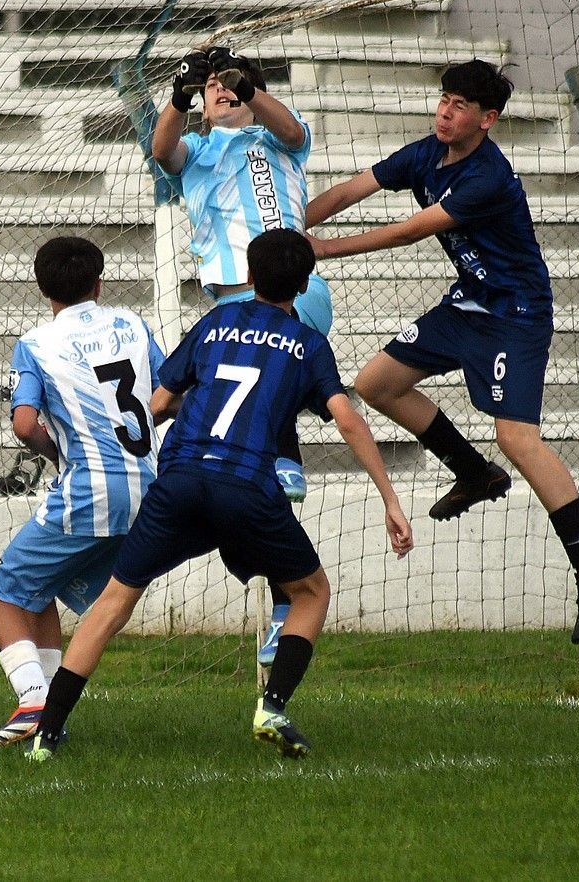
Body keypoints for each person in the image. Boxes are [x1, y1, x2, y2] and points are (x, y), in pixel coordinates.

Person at [24, 229, 412, 762]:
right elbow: (346, 419)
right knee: (312, 591)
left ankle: (47, 733)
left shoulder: (212, 323)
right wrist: (390, 500)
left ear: (247, 276)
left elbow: (158, 402)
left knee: (113, 603)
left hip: (179, 481)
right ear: (304, 286)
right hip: (246, 487)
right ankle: (272, 706)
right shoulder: (308, 344)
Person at [305, 59, 579, 644]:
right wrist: (288, 226)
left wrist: (324, 249)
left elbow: (410, 230)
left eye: (460, 106)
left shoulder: (488, 177)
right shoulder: (427, 153)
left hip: (514, 315)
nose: (446, 113)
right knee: (376, 384)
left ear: (488, 119)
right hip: (469, 303)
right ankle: (474, 472)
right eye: (444, 100)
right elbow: (353, 188)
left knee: (517, 438)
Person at [152, 46, 335, 666]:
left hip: (292, 293)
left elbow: (291, 130)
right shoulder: (195, 152)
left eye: (228, 84)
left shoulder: (278, 138)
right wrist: (178, 98)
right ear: (201, 107)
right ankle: (286, 601)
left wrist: (251, 88)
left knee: (249, 422)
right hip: (233, 305)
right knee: (250, 465)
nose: (221, 90)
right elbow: (162, 149)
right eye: (211, 89)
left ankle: (281, 459)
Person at [0, 236, 163, 747]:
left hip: (89, 491)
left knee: (0, 595)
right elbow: (169, 392)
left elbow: (23, 424)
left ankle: (33, 702)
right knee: (37, 593)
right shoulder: (133, 325)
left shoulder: (36, 343)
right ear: (99, 283)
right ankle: (48, 715)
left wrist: (56, 449)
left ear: (43, 289)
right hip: (147, 489)